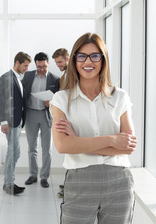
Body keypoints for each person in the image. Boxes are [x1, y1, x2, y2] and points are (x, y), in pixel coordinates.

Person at [50, 32, 136, 224]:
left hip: (119, 181)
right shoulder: (61, 99)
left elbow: (129, 147)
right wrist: (113, 140)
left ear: (103, 60)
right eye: (82, 56)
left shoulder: (120, 96)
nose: (88, 61)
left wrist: (78, 142)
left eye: (95, 56)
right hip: (80, 181)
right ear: (74, 61)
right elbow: (63, 146)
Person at [22, 52, 60, 188]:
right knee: (32, 148)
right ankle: (33, 175)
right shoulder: (28, 76)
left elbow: (60, 99)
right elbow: (21, 92)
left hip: (46, 115)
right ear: (35, 65)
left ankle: (44, 177)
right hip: (31, 114)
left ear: (48, 63)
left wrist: (52, 102)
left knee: (47, 149)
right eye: (39, 67)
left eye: (44, 66)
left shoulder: (55, 79)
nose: (42, 69)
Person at [0, 51, 31, 195]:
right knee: (12, 152)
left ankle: (9, 181)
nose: (27, 69)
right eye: (25, 65)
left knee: (15, 152)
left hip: (17, 120)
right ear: (17, 63)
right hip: (10, 121)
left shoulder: (18, 78)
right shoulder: (6, 78)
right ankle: (8, 184)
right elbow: (2, 100)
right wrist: (4, 121)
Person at [52, 48, 69, 197]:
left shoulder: (73, 74)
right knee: (69, 154)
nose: (58, 65)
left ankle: (70, 186)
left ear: (67, 58)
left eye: (60, 62)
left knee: (71, 153)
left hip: (71, 119)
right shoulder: (65, 75)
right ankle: (69, 183)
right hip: (66, 117)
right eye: (56, 63)